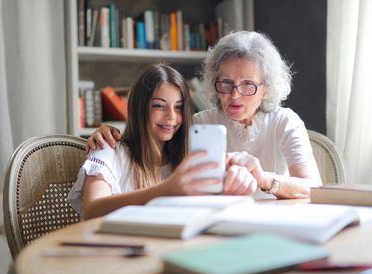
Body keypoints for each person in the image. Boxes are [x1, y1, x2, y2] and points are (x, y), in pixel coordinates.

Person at [86, 31, 322, 200]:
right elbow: (151, 146)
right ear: (213, 82)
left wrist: (264, 179)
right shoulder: (198, 124)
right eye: (226, 83)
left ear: (266, 88)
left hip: (275, 224)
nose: (234, 95)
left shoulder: (285, 121)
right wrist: (107, 132)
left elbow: (314, 188)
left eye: (248, 85)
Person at [68, 64, 257, 220]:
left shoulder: (186, 159)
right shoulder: (108, 150)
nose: (171, 117)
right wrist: (165, 190)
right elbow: (92, 210)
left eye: (179, 108)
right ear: (139, 108)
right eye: (159, 106)